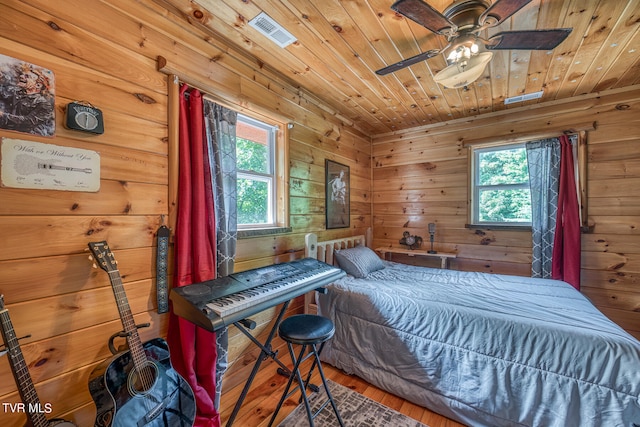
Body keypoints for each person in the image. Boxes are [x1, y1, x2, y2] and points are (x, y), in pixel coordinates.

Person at [0, 62, 55, 136]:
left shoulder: (43, 103)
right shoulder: (16, 92)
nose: (22, 76)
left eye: (27, 76)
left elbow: (28, 121)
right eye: (23, 74)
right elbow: (3, 93)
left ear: (38, 85)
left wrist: (3, 115)